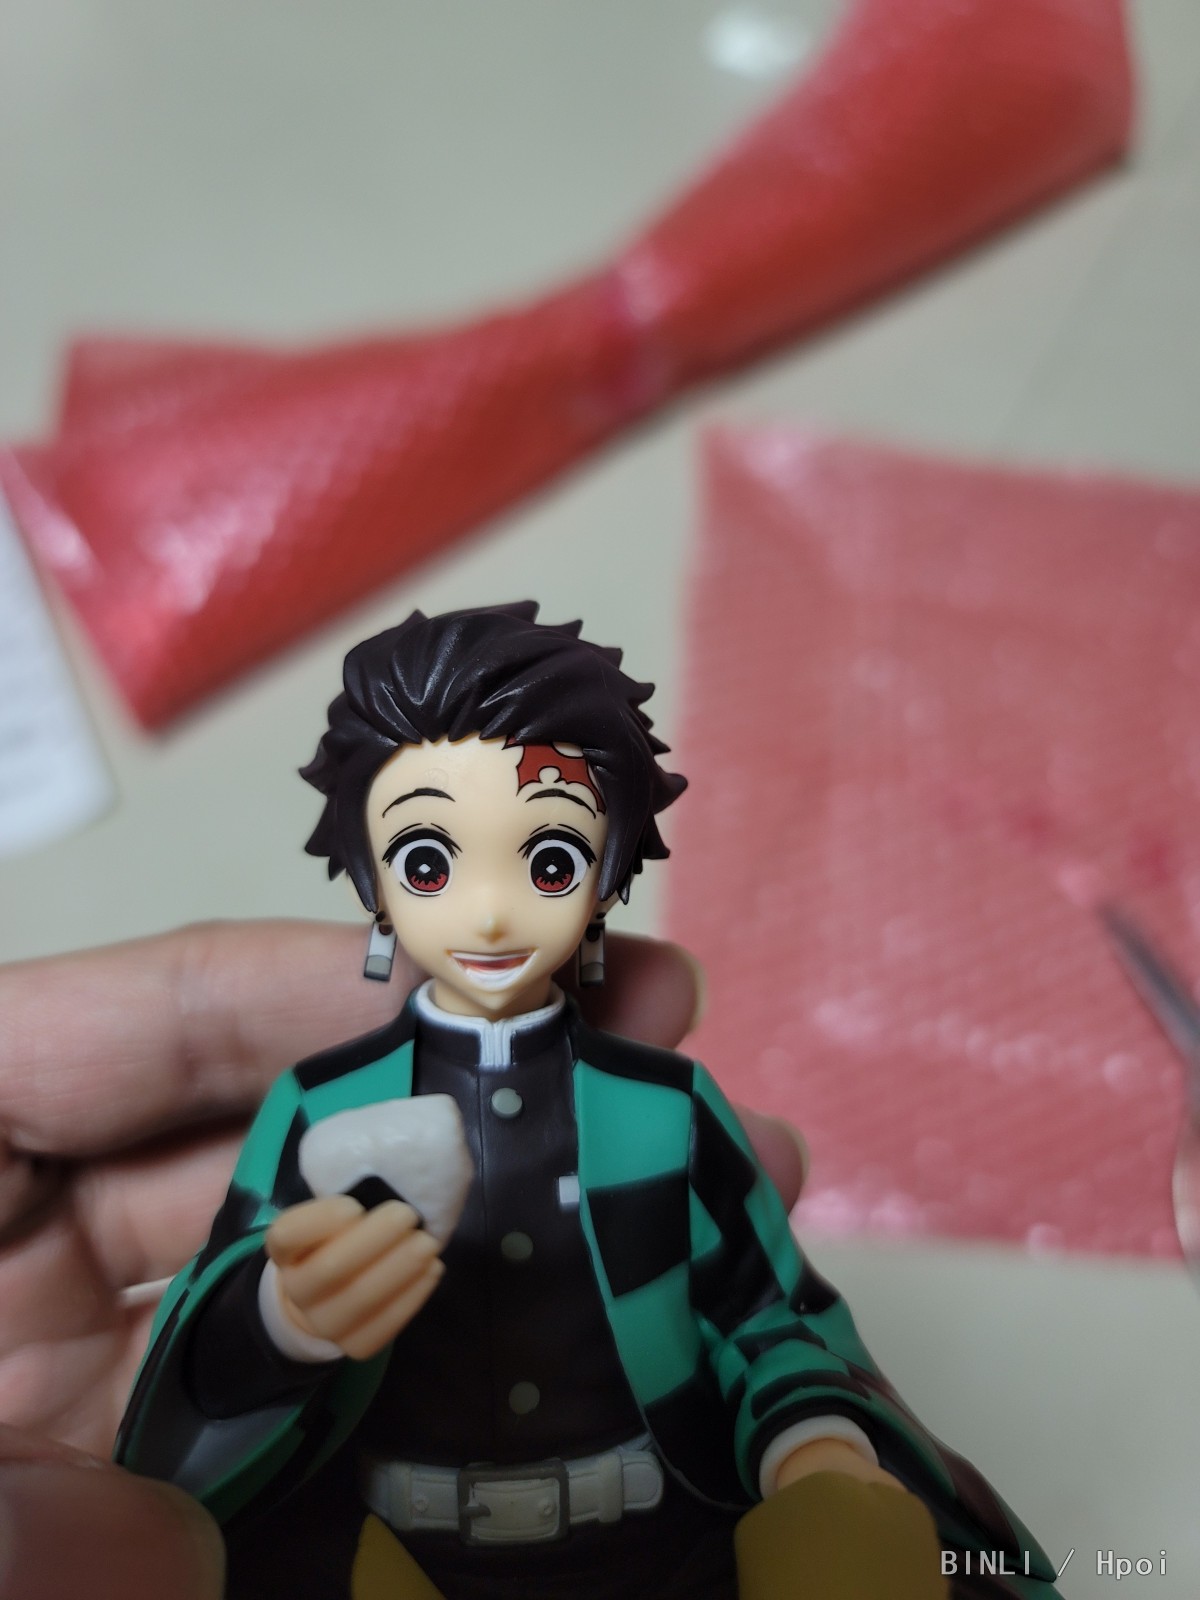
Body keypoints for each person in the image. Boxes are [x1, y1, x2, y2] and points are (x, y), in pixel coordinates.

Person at [112, 604, 1059, 1599]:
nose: (489, 912)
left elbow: (765, 1314)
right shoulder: (324, 1107)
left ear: (608, 874)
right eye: (429, 861)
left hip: (665, 1551)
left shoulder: (664, 1111)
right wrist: (281, 1315)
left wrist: (813, 1444)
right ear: (371, 879)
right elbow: (207, 1332)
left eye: (549, 860)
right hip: (393, 1554)